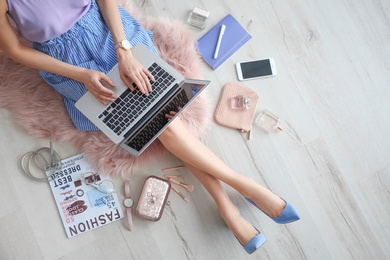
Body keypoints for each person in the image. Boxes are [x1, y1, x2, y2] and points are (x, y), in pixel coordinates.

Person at [0, 0, 300, 254]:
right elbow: (14, 50)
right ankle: (240, 191)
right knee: (164, 123)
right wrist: (81, 76)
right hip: (70, 65)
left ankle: (232, 201)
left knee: (161, 122)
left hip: (109, 34)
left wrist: (124, 50)